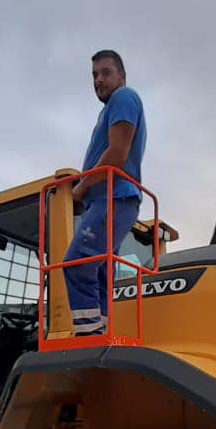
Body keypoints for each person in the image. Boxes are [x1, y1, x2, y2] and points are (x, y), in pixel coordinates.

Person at [64, 49, 148, 336]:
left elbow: (117, 153)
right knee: (100, 273)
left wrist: (82, 186)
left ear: (122, 77)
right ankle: (101, 330)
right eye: (94, 75)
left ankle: (89, 338)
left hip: (113, 196)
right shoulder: (111, 108)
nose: (98, 80)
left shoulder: (124, 97)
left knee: (77, 265)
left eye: (106, 73)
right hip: (112, 200)